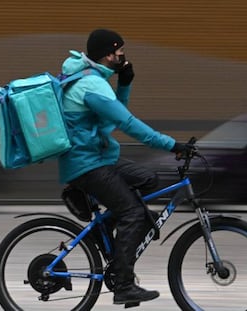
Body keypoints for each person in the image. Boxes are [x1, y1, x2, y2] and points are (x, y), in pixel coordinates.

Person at [58, 29, 192, 306]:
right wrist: (173, 145)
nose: (123, 56)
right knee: (133, 212)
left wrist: (125, 84)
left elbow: (110, 119)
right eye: (120, 52)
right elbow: (127, 123)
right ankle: (124, 285)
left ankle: (101, 230)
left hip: (99, 157)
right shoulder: (90, 86)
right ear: (109, 54)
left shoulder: (92, 79)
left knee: (148, 179)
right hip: (88, 164)